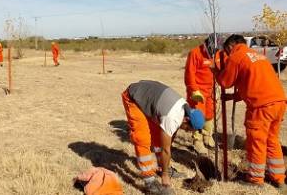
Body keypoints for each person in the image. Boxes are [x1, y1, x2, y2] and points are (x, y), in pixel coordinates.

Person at [216, 34, 286, 192]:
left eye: (227, 51)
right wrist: (233, 96)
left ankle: (255, 179)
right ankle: (279, 179)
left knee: (257, 142)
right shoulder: (257, 56)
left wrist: (215, 71)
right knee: (272, 140)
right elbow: (253, 83)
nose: (227, 54)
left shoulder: (236, 56)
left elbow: (225, 82)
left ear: (231, 46)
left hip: (262, 107)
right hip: (279, 103)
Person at [122, 80, 205, 195]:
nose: (185, 131)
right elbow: (166, 150)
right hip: (133, 97)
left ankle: (161, 168)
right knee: (142, 138)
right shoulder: (172, 118)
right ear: (186, 120)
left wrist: (164, 166)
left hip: (150, 96)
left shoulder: (184, 108)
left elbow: (167, 143)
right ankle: (149, 181)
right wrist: (165, 175)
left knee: (158, 137)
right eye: (187, 129)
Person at [184, 34, 223, 154]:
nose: (213, 51)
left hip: (211, 91)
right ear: (206, 44)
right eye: (211, 49)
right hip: (198, 92)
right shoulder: (195, 53)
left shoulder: (217, 54)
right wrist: (194, 90)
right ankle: (197, 141)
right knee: (198, 116)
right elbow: (189, 74)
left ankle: (207, 136)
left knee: (210, 114)